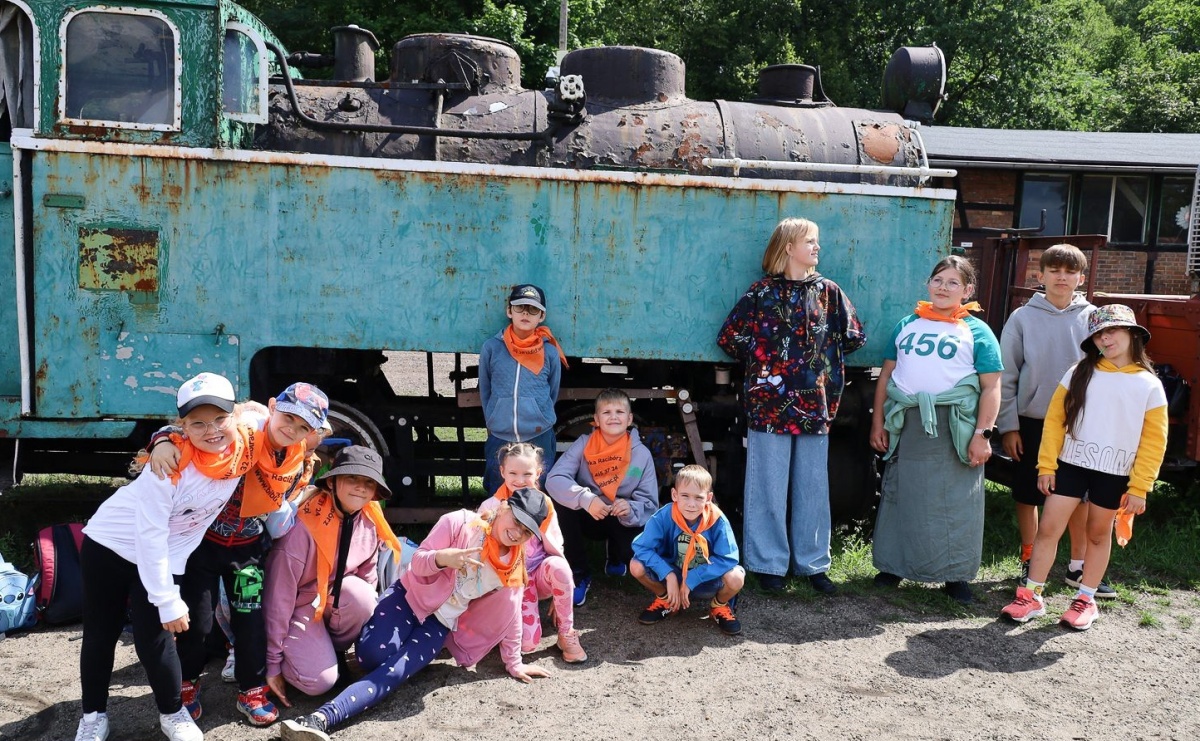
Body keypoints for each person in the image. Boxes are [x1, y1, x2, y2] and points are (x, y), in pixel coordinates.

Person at [74, 373, 271, 741]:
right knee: (102, 631)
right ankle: (93, 716)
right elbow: (149, 536)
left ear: (235, 415)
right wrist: (167, 600)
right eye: (197, 423)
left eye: (219, 419)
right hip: (111, 546)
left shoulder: (245, 437)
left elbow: (273, 420)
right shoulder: (168, 466)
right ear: (182, 425)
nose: (211, 431)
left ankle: (172, 714)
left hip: (164, 555)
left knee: (157, 639)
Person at [279, 488, 552, 740]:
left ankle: (320, 719)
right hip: (408, 597)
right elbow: (419, 563)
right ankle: (336, 654)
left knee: (393, 673)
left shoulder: (514, 565)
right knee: (372, 656)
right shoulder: (459, 523)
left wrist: (514, 662)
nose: (517, 533)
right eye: (516, 521)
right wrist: (443, 559)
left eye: (527, 532)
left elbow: (512, 611)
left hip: (440, 624)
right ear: (503, 507)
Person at [147, 383, 330, 726]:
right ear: (273, 406)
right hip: (203, 545)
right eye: (288, 418)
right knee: (197, 622)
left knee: (250, 620)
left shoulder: (293, 460)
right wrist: (159, 441)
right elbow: (190, 427)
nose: (292, 429)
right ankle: (185, 684)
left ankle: (251, 689)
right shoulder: (241, 432)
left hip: (247, 552)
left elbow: (278, 514)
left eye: (303, 426)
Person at [717, 217, 866, 594]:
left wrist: (814, 370)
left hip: (815, 406)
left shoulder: (829, 292)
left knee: (813, 487)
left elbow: (853, 336)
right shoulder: (760, 294)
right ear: (788, 247)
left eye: (816, 242)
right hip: (769, 407)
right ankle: (768, 564)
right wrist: (768, 361)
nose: (817, 248)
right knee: (767, 484)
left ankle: (813, 564)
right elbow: (730, 337)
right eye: (810, 241)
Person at [1001, 304, 1167, 630]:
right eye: (1099, 334)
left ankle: (1085, 599)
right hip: (1070, 466)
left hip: (1114, 473)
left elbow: (1153, 442)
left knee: (1097, 533)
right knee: (1048, 528)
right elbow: (1054, 422)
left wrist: (1140, 487)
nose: (1106, 339)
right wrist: (1046, 466)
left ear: (1133, 334)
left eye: (1112, 331)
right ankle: (1031, 596)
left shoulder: (1150, 385)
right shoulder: (1078, 372)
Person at [869, 255, 1003, 605]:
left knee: (956, 500)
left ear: (968, 289)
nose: (944, 287)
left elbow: (991, 387)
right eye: (938, 280)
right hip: (908, 422)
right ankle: (893, 566)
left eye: (953, 282)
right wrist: (877, 422)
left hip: (954, 427)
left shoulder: (977, 331)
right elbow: (886, 376)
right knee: (901, 494)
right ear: (929, 284)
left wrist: (982, 434)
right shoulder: (907, 324)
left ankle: (955, 575)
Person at [997, 244, 1116, 597]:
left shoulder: (1093, 317)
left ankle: (1078, 566)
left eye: (1070, 272)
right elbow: (1007, 374)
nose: (1061, 277)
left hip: (1081, 424)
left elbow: (1109, 368)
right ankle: (1030, 558)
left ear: (1081, 278)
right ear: (1041, 275)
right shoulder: (1021, 318)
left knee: (1078, 495)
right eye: (1054, 270)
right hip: (1032, 420)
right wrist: (1009, 425)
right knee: (1028, 492)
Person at [262, 446, 402, 706]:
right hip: (297, 607)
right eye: (352, 478)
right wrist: (272, 664)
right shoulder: (303, 527)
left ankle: (334, 650)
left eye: (369, 482)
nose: (360, 487)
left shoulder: (371, 521)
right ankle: (284, 657)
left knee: (363, 596)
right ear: (333, 481)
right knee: (319, 683)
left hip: (331, 601)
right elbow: (277, 599)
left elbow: (367, 580)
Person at [546, 388, 658, 606]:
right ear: (596, 419)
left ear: (629, 418)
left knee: (632, 556)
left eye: (619, 411)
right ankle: (578, 572)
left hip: (621, 518)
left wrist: (630, 508)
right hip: (589, 513)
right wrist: (586, 499)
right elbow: (554, 478)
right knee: (561, 505)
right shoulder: (584, 444)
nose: (613, 417)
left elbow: (650, 503)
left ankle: (616, 555)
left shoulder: (641, 454)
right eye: (606, 412)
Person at [479, 441, 586, 663]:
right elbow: (481, 550)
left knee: (560, 568)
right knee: (527, 645)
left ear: (538, 473)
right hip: (509, 580)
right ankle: (502, 622)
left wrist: (561, 594)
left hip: (537, 573)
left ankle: (566, 633)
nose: (519, 480)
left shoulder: (544, 504)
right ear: (502, 472)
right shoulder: (491, 506)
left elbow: (556, 546)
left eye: (527, 473)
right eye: (513, 473)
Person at [630, 465, 745, 635]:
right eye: (685, 496)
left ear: (709, 498)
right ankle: (666, 600)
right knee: (636, 565)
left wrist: (693, 577)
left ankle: (719, 606)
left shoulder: (717, 520)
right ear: (674, 495)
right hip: (674, 577)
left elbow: (728, 559)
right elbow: (640, 546)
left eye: (699, 498)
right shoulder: (664, 516)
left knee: (736, 577)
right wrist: (668, 574)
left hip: (706, 580)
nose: (691, 504)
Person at [479, 283, 568, 495]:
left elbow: (552, 391)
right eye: (519, 307)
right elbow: (485, 389)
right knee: (498, 491)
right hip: (501, 434)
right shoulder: (492, 348)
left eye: (533, 309)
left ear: (542, 316)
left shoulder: (549, 352)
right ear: (509, 311)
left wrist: (537, 412)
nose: (526, 313)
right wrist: (494, 417)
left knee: (537, 492)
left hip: (539, 435)